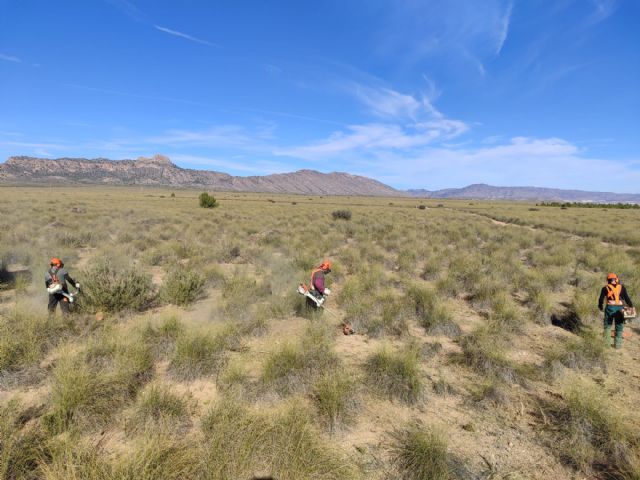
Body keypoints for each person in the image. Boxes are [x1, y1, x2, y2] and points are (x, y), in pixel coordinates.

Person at [598, 273, 635, 349]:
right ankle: (617, 345)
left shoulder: (605, 288)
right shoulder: (622, 287)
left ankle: (606, 345)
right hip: (620, 308)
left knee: (607, 325)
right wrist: (631, 307)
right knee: (619, 325)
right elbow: (627, 298)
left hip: (610, 308)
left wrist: (600, 306)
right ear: (616, 279)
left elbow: (601, 299)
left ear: (608, 280)